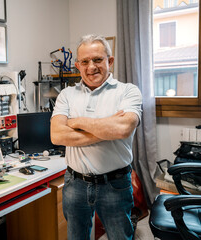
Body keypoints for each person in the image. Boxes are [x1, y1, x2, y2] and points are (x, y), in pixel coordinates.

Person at [50, 34, 142, 240]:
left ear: (110, 61)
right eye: (85, 61)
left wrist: (77, 122)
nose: (91, 67)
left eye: (98, 60)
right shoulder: (67, 95)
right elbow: (57, 135)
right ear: (77, 65)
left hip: (115, 184)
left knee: (120, 237)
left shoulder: (128, 92)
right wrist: (107, 128)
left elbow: (123, 128)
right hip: (75, 184)